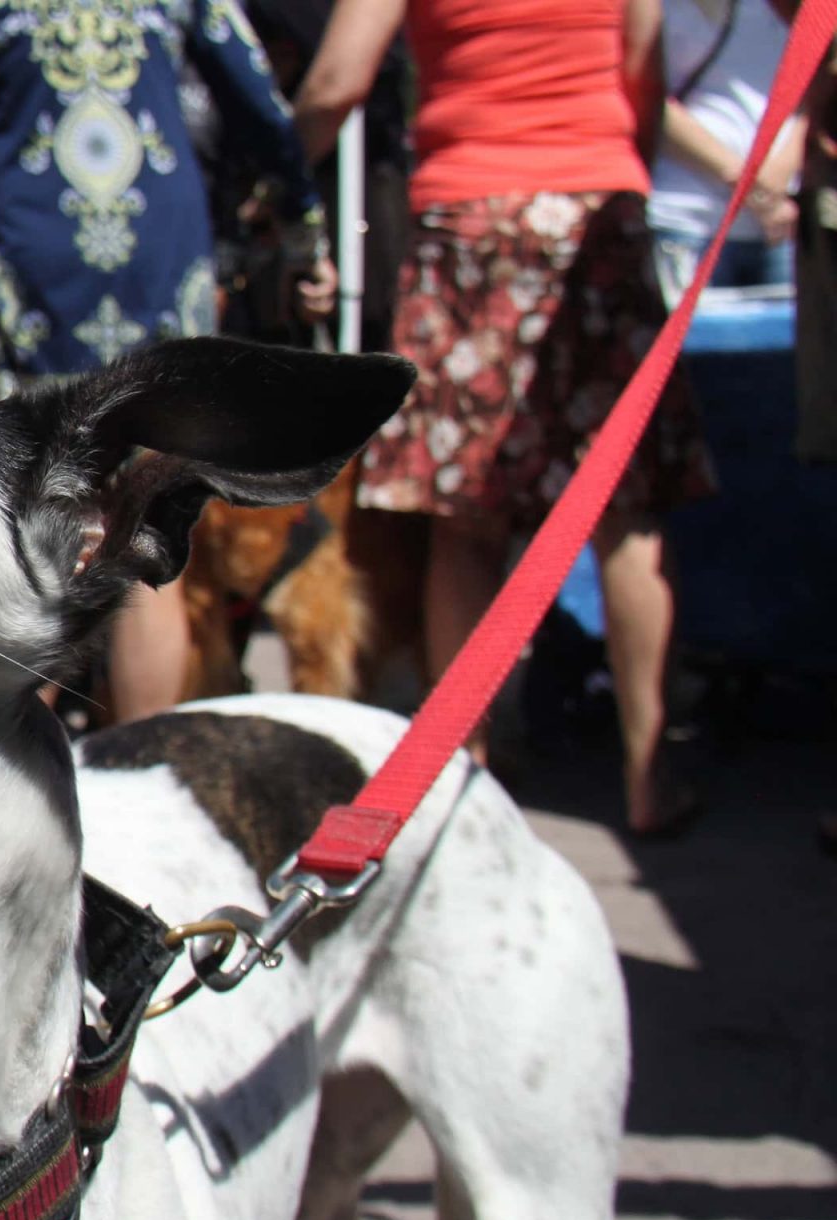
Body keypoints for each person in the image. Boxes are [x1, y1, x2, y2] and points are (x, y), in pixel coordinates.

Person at [298, 0, 711, 838]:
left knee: (464, 516)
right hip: (598, 200)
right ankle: (647, 774)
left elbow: (339, 78)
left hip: (472, 215)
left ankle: (467, 772)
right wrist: (605, 153)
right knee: (624, 511)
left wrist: (273, 176)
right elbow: (642, 56)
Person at [0, 0, 337, 726]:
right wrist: (300, 221)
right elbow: (256, 97)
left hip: (30, 245)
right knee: (150, 507)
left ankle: (10, 777)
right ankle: (138, 767)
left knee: (40, 512)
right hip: (158, 247)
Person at [650, 0, 803, 301]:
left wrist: (776, 179)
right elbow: (641, 92)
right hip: (686, 220)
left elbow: (821, 87)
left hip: (783, 224)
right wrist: (747, 183)